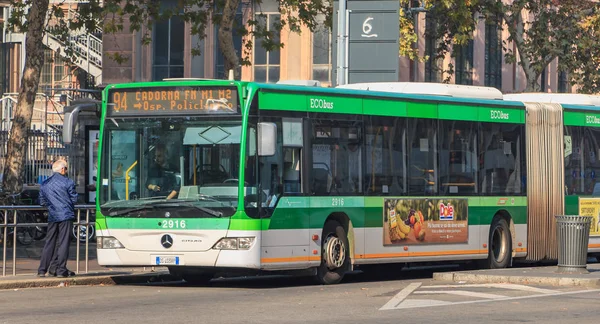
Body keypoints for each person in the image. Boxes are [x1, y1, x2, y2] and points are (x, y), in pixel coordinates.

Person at [37, 159, 78, 278]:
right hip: (66, 215)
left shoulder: (45, 184)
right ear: (62, 169)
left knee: (49, 242)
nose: (66, 170)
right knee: (63, 243)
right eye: (65, 168)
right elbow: (74, 199)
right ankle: (61, 270)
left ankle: (42, 269)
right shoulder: (68, 182)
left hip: (53, 215)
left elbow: (41, 202)